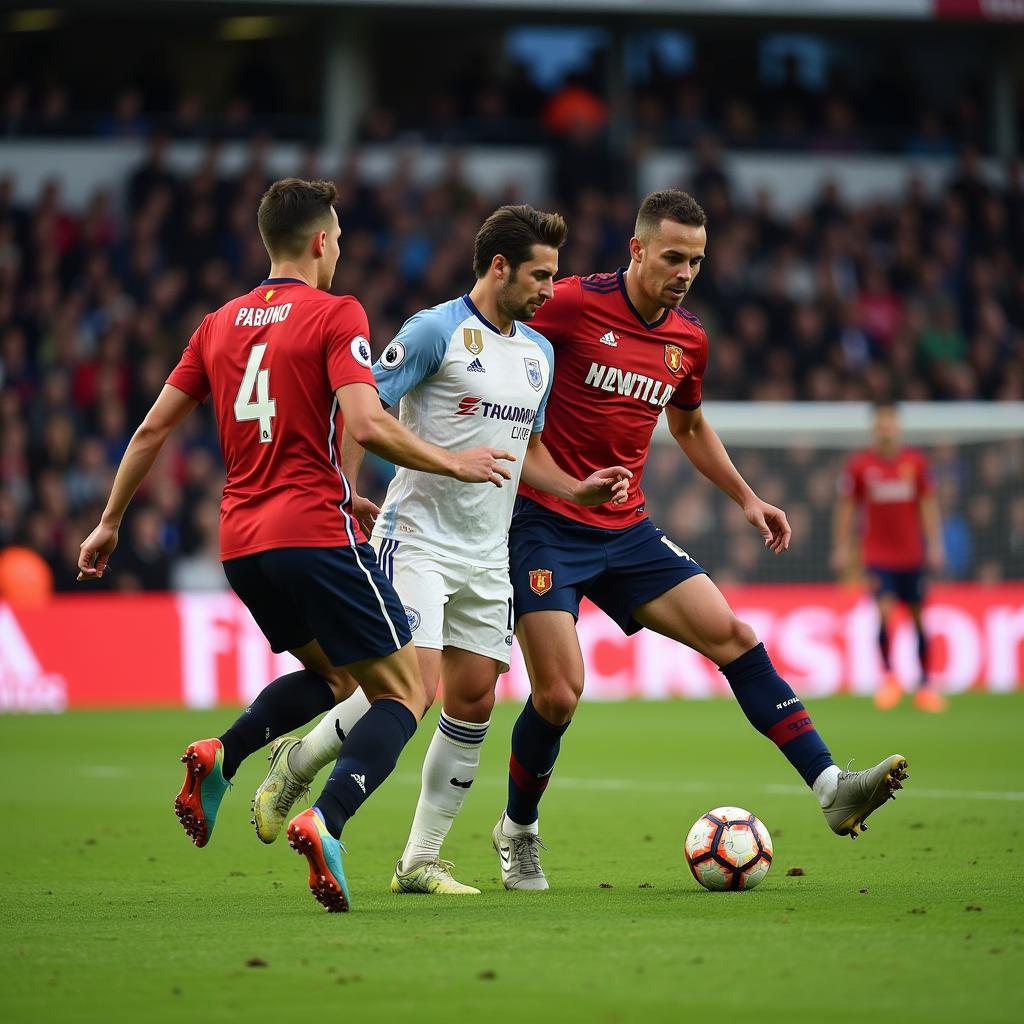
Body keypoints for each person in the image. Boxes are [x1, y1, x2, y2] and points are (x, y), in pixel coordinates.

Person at [77, 178, 515, 912]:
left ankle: (227, 753)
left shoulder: (218, 323)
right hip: (312, 532)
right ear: (319, 242)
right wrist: (455, 461)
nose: (339, 250)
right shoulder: (336, 312)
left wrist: (109, 520)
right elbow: (368, 423)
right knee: (407, 691)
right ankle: (329, 819)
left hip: (243, 544)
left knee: (338, 679)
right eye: (337, 239)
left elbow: (153, 428)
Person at [491, 189, 909, 891]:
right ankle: (520, 830)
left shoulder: (688, 339)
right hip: (544, 523)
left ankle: (831, 786)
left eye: (697, 260)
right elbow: (494, 328)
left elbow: (687, 426)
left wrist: (747, 498)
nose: (685, 272)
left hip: (626, 532)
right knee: (559, 696)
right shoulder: (568, 304)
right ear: (637, 249)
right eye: (673, 257)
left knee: (737, 639)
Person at [249, 205, 632, 895]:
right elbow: (357, 412)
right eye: (540, 275)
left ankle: (418, 862)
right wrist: (344, 491)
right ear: (498, 267)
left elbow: (526, 450)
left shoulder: (538, 353)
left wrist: (576, 491)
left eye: (554, 275)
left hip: (488, 551)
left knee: (475, 699)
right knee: (412, 688)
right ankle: (297, 763)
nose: (550, 289)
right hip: (417, 537)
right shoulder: (434, 331)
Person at [833, 401, 947, 712]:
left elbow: (927, 504)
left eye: (890, 423)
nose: (886, 429)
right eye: (881, 424)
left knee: (918, 617)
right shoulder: (860, 466)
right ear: (875, 428)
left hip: (912, 554)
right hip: (878, 555)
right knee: (883, 613)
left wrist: (935, 544)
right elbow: (847, 508)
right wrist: (843, 546)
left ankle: (925, 685)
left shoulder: (915, 462)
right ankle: (889, 678)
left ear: (897, 427)